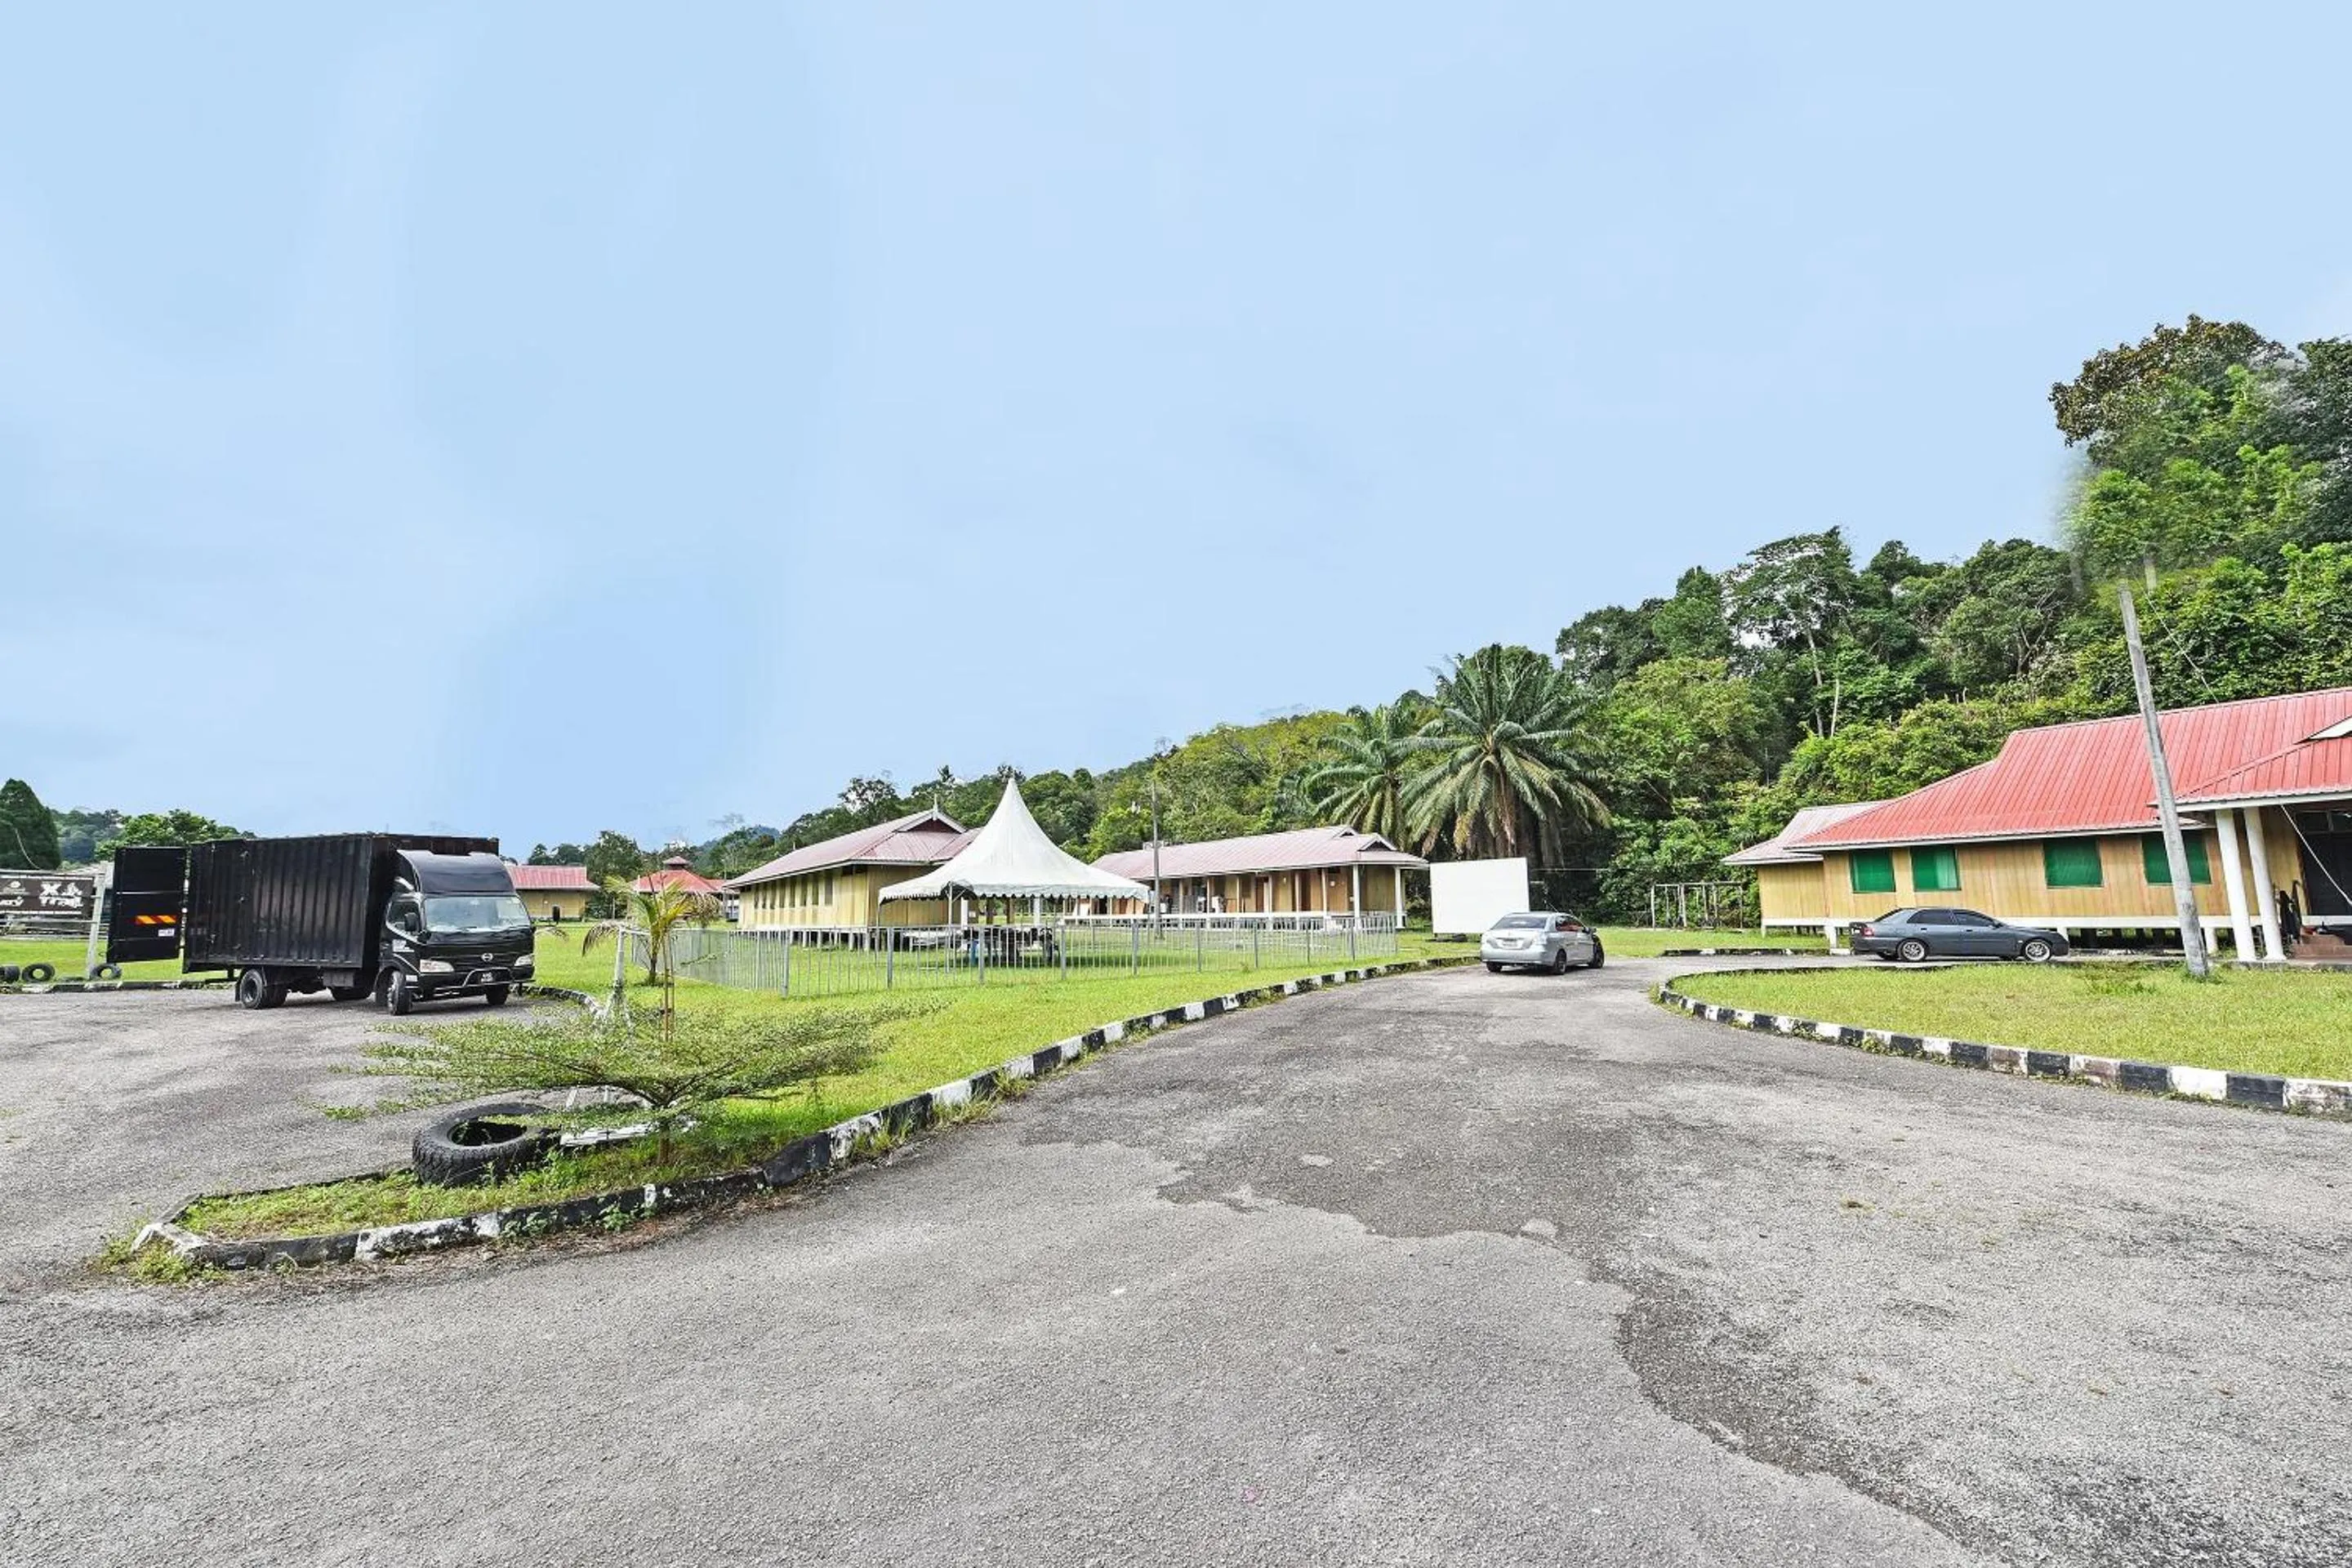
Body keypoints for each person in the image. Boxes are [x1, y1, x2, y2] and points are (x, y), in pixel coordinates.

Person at [2277, 888, 2302, 954]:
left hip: (2287, 919)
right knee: (2291, 929)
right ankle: (2294, 941)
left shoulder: (2286, 903)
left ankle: (2295, 941)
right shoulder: (2286, 903)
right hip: (2288, 919)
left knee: (2290, 929)